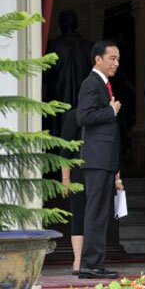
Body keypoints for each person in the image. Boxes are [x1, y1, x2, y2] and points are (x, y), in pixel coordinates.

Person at [76, 40, 124, 279]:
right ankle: (90, 265)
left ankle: (95, 263)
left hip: (104, 160)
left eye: (118, 59)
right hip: (96, 159)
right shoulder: (91, 83)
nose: (116, 63)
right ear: (98, 59)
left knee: (101, 213)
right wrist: (111, 110)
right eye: (112, 58)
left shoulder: (102, 83)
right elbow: (83, 116)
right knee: (96, 212)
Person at [59, 109, 86, 275]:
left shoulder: (108, 113)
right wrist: (66, 178)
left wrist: (117, 178)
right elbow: (66, 148)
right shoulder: (75, 115)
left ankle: (93, 258)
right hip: (78, 172)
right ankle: (77, 260)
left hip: (100, 171)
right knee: (79, 214)